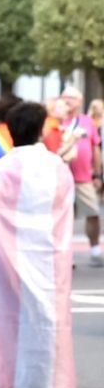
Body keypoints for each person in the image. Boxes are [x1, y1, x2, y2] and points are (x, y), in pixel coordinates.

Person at [0, 101, 77, 388]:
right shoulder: (56, 168)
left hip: (1, 262)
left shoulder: (0, 170)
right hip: (46, 263)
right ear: (41, 129)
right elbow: (66, 213)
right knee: (39, 328)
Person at [77, 100, 104, 267]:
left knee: (93, 211)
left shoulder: (87, 123)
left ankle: (95, 249)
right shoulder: (55, 122)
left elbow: (96, 147)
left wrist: (97, 173)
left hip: (84, 176)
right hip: (62, 175)